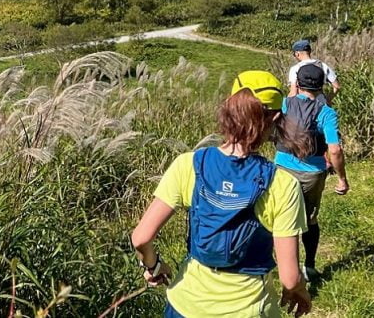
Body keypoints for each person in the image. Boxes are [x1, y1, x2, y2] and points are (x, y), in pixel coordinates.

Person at [131, 71, 313, 318]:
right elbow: (290, 278)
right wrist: (299, 292)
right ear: (276, 118)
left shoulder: (188, 164)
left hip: (185, 305)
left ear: (229, 110)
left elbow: (141, 238)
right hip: (249, 310)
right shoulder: (283, 185)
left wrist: (152, 265)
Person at [275, 63, 349, 283]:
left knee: (282, 219)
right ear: (322, 86)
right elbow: (334, 149)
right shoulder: (327, 112)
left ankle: (286, 269)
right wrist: (342, 178)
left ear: (297, 83)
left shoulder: (285, 104)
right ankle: (309, 266)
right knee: (309, 219)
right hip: (312, 173)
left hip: (282, 168)